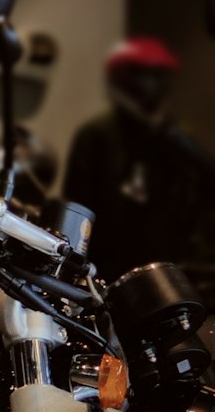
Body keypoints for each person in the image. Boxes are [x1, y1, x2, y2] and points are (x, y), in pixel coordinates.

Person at [62, 36, 215, 281]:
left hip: (166, 266)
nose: (153, 84)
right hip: (107, 268)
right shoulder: (97, 135)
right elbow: (77, 207)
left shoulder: (175, 135)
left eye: (159, 75)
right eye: (144, 75)